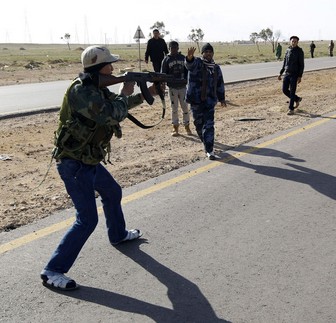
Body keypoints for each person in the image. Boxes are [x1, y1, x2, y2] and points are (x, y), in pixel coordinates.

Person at [41, 45, 159, 291]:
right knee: (87, 219)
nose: (114, 69)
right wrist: (126, 90)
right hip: (73, 164)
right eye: (109, 66)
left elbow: (118, 108)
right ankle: (53, 269)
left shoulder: (97, 89)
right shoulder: (82, 92)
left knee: (112, 191)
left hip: (89, 159)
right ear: (97, 69)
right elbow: (112, 114)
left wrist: (149, 91)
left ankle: (117, 234)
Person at [185, 43, 226, 160]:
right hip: (196, 101)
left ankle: (210, 150)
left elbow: (220, 84)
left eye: (210, 52)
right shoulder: (197, 63)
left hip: (209, 101)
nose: (208, 54)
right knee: (199, 125)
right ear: (202, 53)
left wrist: (221, 98)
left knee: (209, 125)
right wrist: (189, 58)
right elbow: (189, 65)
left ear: (213, 53)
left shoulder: (216, 68)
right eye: (206, 52)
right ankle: (205, 142)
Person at [161, 41, 192, 136]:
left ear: (178, 48)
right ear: (169, 48)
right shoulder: (166, 60)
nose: (174, 49)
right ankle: (175, 127)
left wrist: (187, 81)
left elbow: (188, 70)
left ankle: (187, 126)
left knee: (185, 107)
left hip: (183, 87)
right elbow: (163, 74)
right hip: (172, 88)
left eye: (176, 47)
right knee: (174, 108)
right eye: (172, 47)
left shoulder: (183, 58)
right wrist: (162, 84)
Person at [278, 35, 305, 116]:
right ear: (290, 42)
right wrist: (280, 73)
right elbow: (284, 63)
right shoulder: (288, 50)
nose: (293, 43)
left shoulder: (299, 51)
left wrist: (300, 76)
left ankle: (291, 109)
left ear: (297, 42)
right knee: (284, 90)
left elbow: (302, 65)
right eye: (292, 41)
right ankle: (297, 99)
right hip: (287, 74)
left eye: (295, 41)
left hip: (294, 75)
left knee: (292, 92)